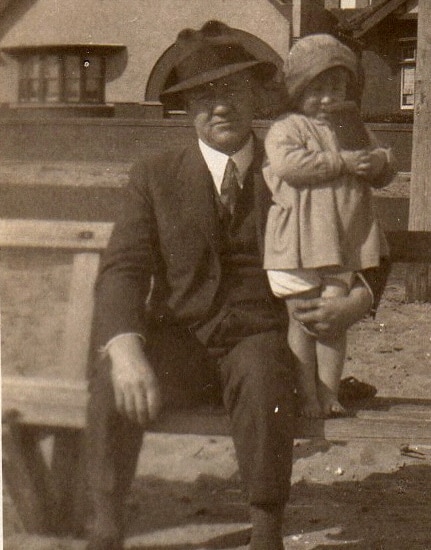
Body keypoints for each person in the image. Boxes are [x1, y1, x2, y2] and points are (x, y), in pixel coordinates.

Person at [84, 21, 388, 550]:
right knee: (112, 371)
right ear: (186, 108)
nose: (219, 106)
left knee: (268, 371)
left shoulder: (297, 163)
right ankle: (106, 525)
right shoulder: (154, 176)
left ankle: (266, 530)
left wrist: (357, 301)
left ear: (257, 96)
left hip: (260, 339)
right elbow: (124, 267)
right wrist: (126, 345)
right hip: (180, 340)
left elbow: (364, 231)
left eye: (231, 91)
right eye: (204, 96)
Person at [263, 34, 396, 419]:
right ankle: (306, 394)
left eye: (336, 90)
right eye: (316, 90)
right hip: (298, 241)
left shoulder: (351, 126)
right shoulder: (286, 128)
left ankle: (329, 393)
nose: (327, 100)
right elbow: (290, 166)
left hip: (342, 242)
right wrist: (343, 163)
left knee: (334, 320)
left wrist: (379, 164)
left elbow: (382, 167)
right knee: (303, 320)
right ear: (298, 91)